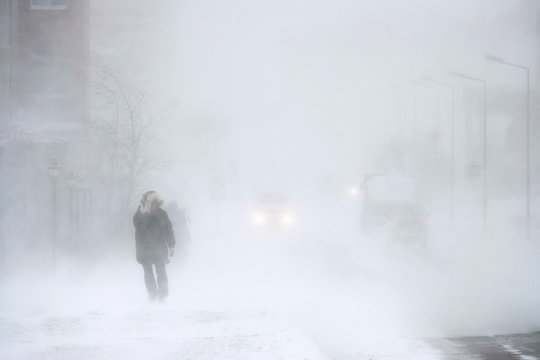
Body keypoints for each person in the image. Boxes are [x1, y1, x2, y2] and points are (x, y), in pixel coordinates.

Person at [133, 191, 175, 302]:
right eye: (149, 203)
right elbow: (140, 228)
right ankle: (152, 296)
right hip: (144, 249)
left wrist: (172, 245)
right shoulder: (139, 215)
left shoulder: (161, 214)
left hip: (159, 248)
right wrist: (145, 214)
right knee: (148, 274)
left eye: (154, 203)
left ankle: (162, 295)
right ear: (144, 202)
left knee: (161, 272)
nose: (152, 205)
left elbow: (168, 230)